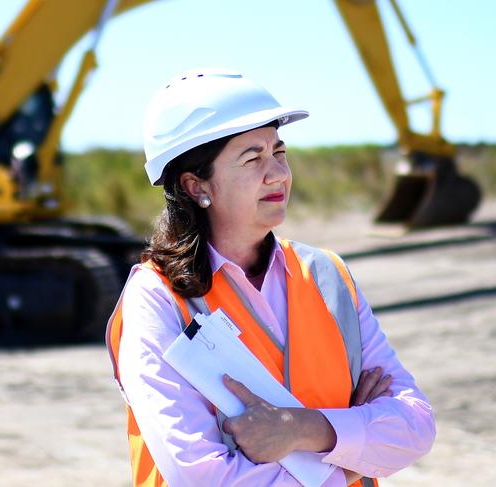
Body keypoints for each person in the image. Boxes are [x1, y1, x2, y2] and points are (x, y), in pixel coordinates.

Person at [106, 68, 435, 486]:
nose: (278, 172)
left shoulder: (327, 275)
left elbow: (416, 425)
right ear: (194, 185)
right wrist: (355, 451)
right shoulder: (157, 298)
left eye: (279, 152)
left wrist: (300, 430)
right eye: (252, 158)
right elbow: (203, 476)